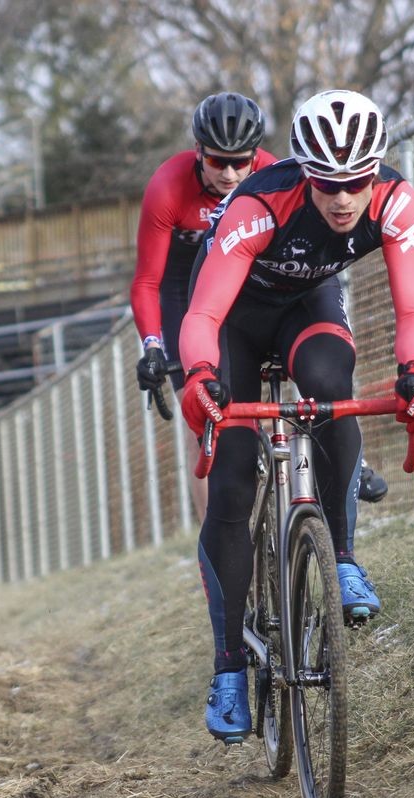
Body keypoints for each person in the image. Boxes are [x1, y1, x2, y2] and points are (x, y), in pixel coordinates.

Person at [176, 90, 414, 741]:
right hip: (232, 321)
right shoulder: (260, 203)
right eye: (328, 184)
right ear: (306, 173)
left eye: (357, 181)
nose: (344, 198)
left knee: (330, 381)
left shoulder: (396, 202)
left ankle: (342, 556)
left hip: (306, 306)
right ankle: (230, 668)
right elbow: (204, 316)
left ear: (374, 172)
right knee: (234, 481)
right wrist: (200, 376)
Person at [129, 92, 278, 517]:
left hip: (245, 284)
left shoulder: (272, 173)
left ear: (256, 156)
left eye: (240, 161)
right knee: (202, 422)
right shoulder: (168, 186)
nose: (230, 173)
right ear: (197, 152)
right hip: (183, 292)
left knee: (280, 400)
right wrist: (154, 346)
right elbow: (146, 281)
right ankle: (218, 539)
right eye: (217, 162)